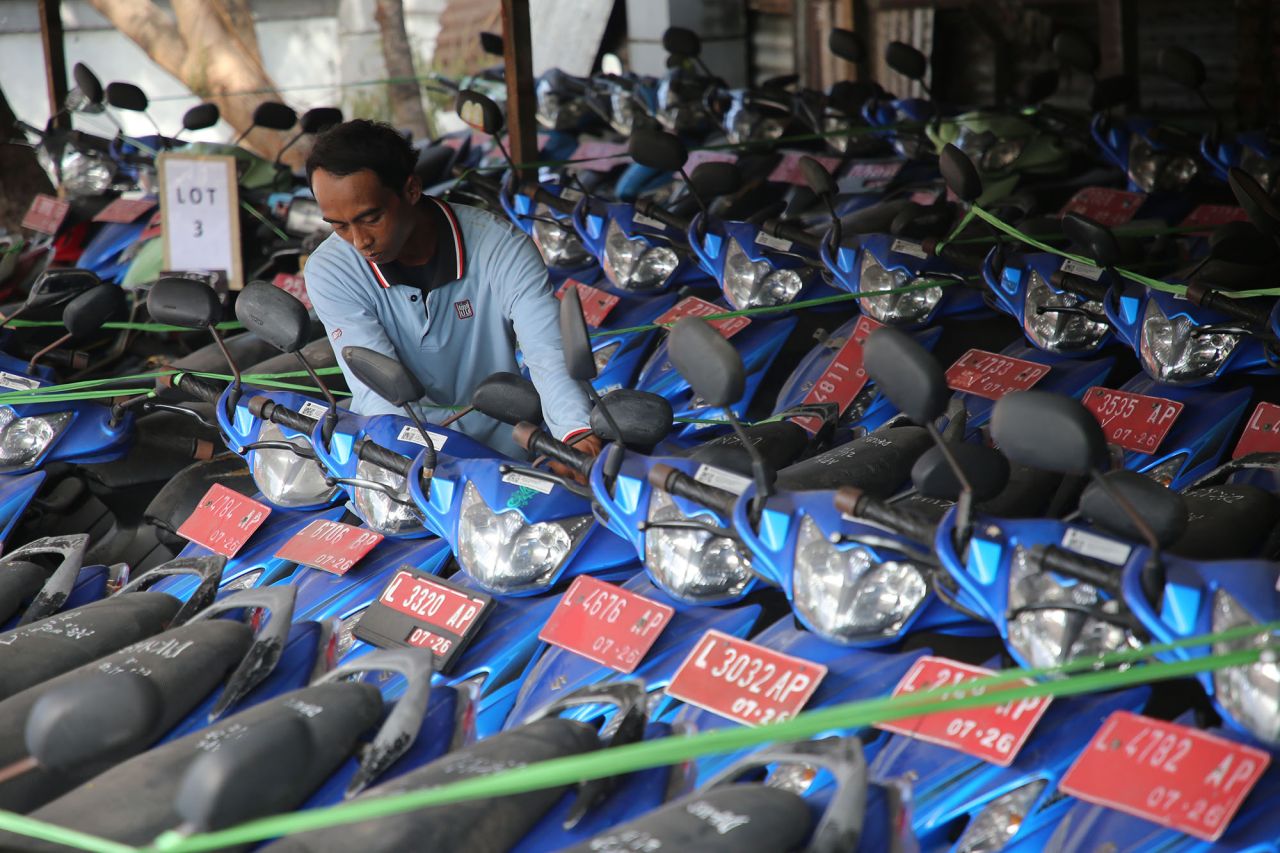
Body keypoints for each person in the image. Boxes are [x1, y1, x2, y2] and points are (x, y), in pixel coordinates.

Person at [301, 119, 602, 466]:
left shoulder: (501, 247)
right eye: (339, 226)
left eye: (371, 218)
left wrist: (574, 433)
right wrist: (407, 463)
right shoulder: (331, 270)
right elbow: (378, 390)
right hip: (408, 454)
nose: (359, 241)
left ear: (411, 189)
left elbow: (546, 349)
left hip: (507, 454)